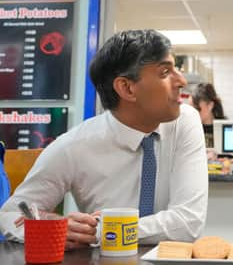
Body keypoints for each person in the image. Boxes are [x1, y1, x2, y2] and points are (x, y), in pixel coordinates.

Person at [0, 29, 208, 248]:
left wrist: (105, 230)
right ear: (127, 88)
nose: (182, 81)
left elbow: (188, 223)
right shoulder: (73, 147)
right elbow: (9, 216)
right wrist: (54, 226)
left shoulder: (185, 121)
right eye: (165, 72)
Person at [191, 82, 226, 148]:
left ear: (210, 105)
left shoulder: (225, 129)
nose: (193, 113)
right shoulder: (191, 129)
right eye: (191, 109)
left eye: (197, 109)